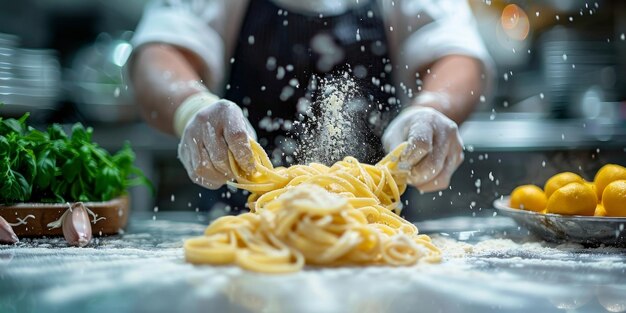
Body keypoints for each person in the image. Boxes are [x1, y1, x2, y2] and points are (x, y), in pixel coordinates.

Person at [128, 0, 494, 194]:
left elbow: (459, 55)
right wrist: (193, 106)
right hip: (240, 223)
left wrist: (431, 109)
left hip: (378, 233)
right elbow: (158, 53)